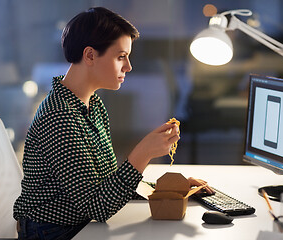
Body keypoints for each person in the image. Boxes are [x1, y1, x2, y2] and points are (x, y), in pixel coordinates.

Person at [13, 7, 212, 239]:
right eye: (120, 57)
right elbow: (98, 208)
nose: (128, 67)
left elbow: (104, 185)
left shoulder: (93, 104)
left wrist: (170, 188)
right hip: (53, 231)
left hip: (84, 224)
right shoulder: (59, 117)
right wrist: (143, 154)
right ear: (90, 55)